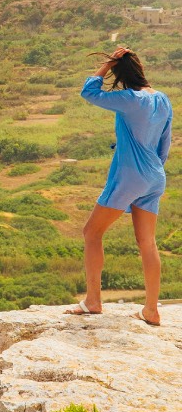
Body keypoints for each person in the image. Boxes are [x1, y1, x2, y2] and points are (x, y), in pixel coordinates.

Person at [65, 47, 172, 325]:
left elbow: (89, 93)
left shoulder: (128, 98)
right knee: (147, 243)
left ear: (120, 74)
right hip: (155, 175)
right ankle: (151, 309)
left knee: (92, 232)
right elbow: (165, 143)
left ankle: (93, 301)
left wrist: (105, 66)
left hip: (129, 175)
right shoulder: (162, 99)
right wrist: (152, 172)